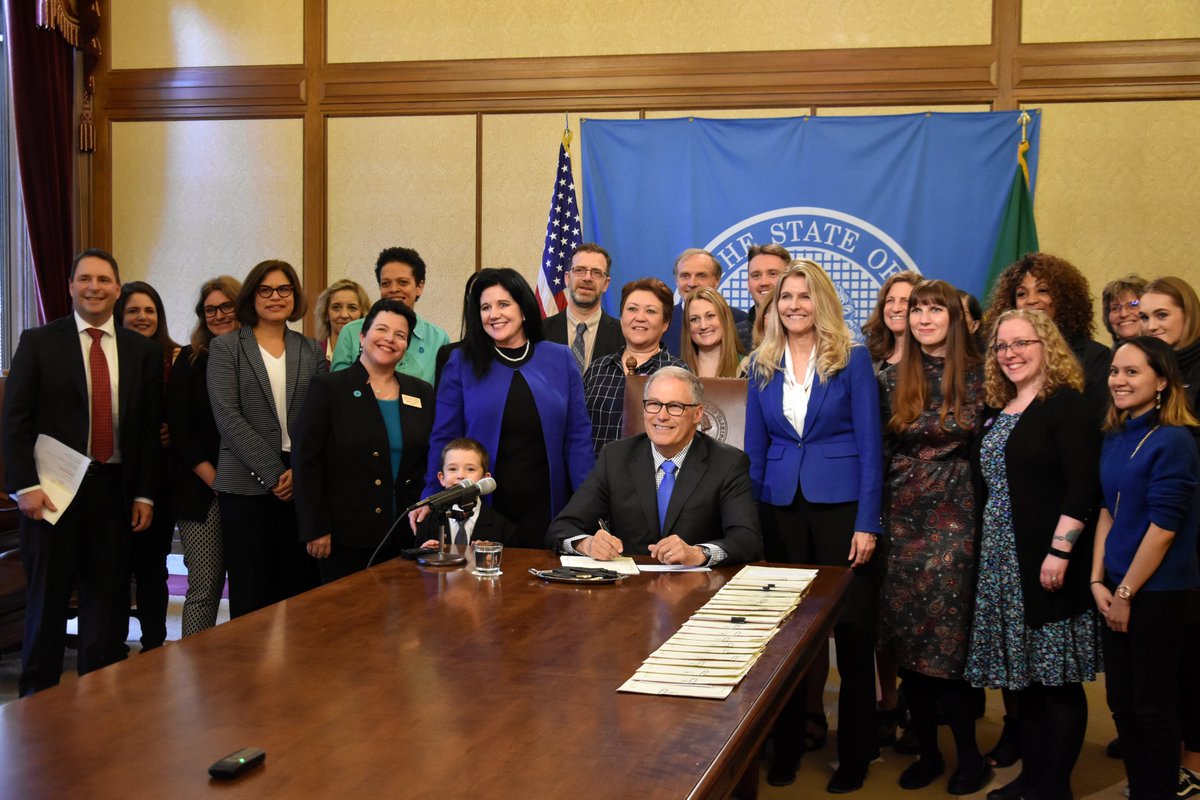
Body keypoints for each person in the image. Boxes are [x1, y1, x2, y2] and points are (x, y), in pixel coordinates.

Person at [744, 259, 884, 793]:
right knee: (782, 642)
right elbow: (755, 451)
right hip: (780, 511)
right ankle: (784, 748)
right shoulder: (761, 363)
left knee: (852, 639)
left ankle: (856, 753)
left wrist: (867, 522)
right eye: (785, 297)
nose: (794, 305)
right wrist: (750, 526)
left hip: (843, 512)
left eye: (804, 296)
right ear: (774, 306)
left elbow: (871, 448)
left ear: (821, 301)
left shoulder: (851, 360)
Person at [1, 249, 161, 696]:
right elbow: (15, 421)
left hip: (114, 491)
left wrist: (144, 495)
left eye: (104, 279)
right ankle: (37, 700)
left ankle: (96, 700)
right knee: (48, 600)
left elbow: (148, 430)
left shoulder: (141, 352)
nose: (94, 286)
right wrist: (24, 487)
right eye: (85, 279)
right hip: (51, 493)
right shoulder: (38, 342)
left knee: (106, 602)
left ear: (117, 287)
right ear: (70, 287)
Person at [966, 308, 1102, 800]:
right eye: (1002, 346)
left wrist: (1059, 553)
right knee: (1027, 681)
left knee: (1057, 680)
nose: (1011, 354)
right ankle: (1034, 776)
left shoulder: (1064, 404)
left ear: (1048, 347)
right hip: (1003, 560)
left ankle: (1054, 787)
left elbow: (1083, 484)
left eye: (1022, 343)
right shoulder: (1002, 407)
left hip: (1046, 561)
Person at [876, 280, 991, 794]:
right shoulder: (891, 377)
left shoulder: (983, 376)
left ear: (955, 318)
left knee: (947, 648)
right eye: (915, 309)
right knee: (907, 646)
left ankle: (970, 756)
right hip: (900, 521)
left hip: (957, 521)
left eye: (933, 310)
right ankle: (926, 751)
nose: (922, 318)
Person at [1092, 336, 1200, 800]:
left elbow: (1163, 530)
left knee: (1153, 706)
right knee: (1123, 705)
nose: (1119, 379)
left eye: (1132, 372)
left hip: (1160, 594)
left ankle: (1159, 790)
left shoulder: (1174, 440)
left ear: (1162, 381)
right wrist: (1098, 578)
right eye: (1116, 370)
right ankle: (1142, 788)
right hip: (1116, 586)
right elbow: (1107, 511)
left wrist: (1126, 594)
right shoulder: (1118, 434)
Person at [421, 268, 594, 548]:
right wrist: (432, 495)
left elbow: (578, 441)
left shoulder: (560, 358)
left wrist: (589, 504)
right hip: (484, 509)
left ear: (523, 309)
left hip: (546, 504)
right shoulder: (461, 362)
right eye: (485, 307)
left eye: (503, 304)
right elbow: (444, 438)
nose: (494, 314)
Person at [548, 367, 762, 565]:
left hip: (698, 588)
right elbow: (562, 527)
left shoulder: (728, 463)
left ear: (698, 414)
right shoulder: (615, 457)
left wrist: (699, 553)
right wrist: (587, 544)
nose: (661, 415)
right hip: (629, 588)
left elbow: (747, 540)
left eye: (675, 406)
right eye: (653, 404)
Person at [207, 259, 325, 617]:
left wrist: (298, 472)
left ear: (295, 296)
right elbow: (227, 416)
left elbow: (319, 418)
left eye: (284, 289)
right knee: (251, 588)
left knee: (298, 586)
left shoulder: (310, 350)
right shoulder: (227, 348)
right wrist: (273, 472)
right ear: (252, 296)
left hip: (300, 478)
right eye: (266, 290)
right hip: (246, 483)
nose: (276, 297)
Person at [294, 299, 434, 582]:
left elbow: (429, 458)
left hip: (407, 534)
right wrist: (315, 528)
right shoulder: (329, 388)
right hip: (344, 536)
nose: (389, 339)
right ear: (362, 336)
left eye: (400, 335)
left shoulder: (421, 392)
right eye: (381, 329)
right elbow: (306, 461)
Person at [1137, 276, 1200, 795]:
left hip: (1189, 532)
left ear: (1188, 317)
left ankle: (1194, 765)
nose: (1153, 325)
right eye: (1146, 317)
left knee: (1194, 658)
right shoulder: (1152, 375)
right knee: (1166, 666)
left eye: (1164, 315)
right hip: (1155, 527)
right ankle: (1167, 760)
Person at [167, 275, 241, 636]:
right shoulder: (191, 360)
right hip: (200, 490)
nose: (218, 315)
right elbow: (180, 429)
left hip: (253, 488)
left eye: (226, 305)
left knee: (249, 584)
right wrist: (216, 480)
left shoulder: (258, 357)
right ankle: (195, 671)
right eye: (210, 309)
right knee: (206, 583)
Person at [115, 280, 181, 652]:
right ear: (119, 316)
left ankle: (154, 642)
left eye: (149, 310)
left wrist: (175, 431)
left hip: (162, 480)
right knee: (116, 566)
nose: (142, 317)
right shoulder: (109, 357)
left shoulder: (175, 357)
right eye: (134, 311)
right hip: (115, 478)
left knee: (152, 566)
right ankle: (113, 642)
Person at [983, 253, 1110, 423]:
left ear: (1064, 298)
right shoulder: (1004, 357)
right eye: (1021, 294)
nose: (1031, 300)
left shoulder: (1095, 357)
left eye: (1042, 291)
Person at [584, 278, 688, 455]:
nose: (640, 318)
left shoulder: (678, 374)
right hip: (595, 477)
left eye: (650, 311)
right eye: (632, 309)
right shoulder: (597, 368)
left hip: (653, 479)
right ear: (622, 317)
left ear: (665, 324)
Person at [330, 247, 450, 386]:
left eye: (403, 282)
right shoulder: (351, 332)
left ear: (419, 287)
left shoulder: (438, 338)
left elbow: (443, 395)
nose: (393, 289)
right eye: (386, 283)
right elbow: (337, 389)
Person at [416, 438, 517, 548]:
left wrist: (492, 559)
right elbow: (412, 562)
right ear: (442, 478)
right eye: (453, 469)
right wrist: (423, 555)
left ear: (485, 479)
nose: (461, 476)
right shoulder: (428, 522)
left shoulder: (502, 526)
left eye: (470, 469)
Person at [542, 243, 623, 373]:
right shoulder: (540, 333)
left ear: (606, 284)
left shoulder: (623, 336)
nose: (587, 278)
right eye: (579, 270)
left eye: (596, 273)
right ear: (567, 278)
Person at [661, 248, 748, 357]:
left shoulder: (741, 321)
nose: (692, 283)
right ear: (676, 280)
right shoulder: (663, 320)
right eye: (685, 276)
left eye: (701, 276)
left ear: (717, 281)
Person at [1140, 276, 1200, 411]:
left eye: (1161, 315)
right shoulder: (1146, 364)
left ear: (1188, 314)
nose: (1151, 327)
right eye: (1144, 317)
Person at [680, 286, 745, 378]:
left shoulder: (749, 368)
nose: (703, 326)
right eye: (694, 319)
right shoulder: (677, 373)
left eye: (710, 316)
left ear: (725, 319)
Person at [863, 270, 921, 372]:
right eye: (890, 300)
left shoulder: (932, 361)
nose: (895, 308)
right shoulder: (870, 358)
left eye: (905, 301)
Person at [736, 243, 789, 349]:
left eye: (772, 274)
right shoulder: (732, 338)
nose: (764, 282)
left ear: (789, 279)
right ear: (748, 283)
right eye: (756, 275)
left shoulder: (807, 332)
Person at [313, 278, 369, 365]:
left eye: (352, 308)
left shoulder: (370, 355)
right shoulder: (312, 353)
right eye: (336, 307)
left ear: (362, 314)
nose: (344, 315)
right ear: (326, 313)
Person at [1101, 274, 1148, 345]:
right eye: (1115, 308)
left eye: (1133, 305)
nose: (1123, 314)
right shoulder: (1105, 355)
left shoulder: (1166, 353)